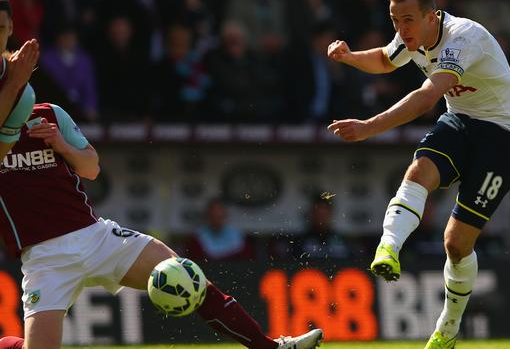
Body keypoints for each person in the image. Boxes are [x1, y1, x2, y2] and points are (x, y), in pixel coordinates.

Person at [0, 106, 323, 348]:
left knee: (187, 276)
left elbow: (92, 168)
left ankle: (271, 348)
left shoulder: (49, 115)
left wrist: (62, 146)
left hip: (96, 236)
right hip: (45, 259)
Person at [326, 0, 510, 348]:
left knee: (455, 243)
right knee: (419, 171)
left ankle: (447, 331)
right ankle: (388, 248)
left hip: (504, 137)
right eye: (395, 20)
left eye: (407, 20)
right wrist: (350, 56)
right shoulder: (412, 35)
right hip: (463, 122)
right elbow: (387, 60)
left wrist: (368, 127)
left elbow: (425, 98)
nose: (401, 28)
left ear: (431, 16)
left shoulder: (462, 38)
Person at [0, 0, 38, 162]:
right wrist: (13, 86)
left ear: (11, 28)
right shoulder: (17, 85)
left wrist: (14, 86)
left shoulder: (24, 95)